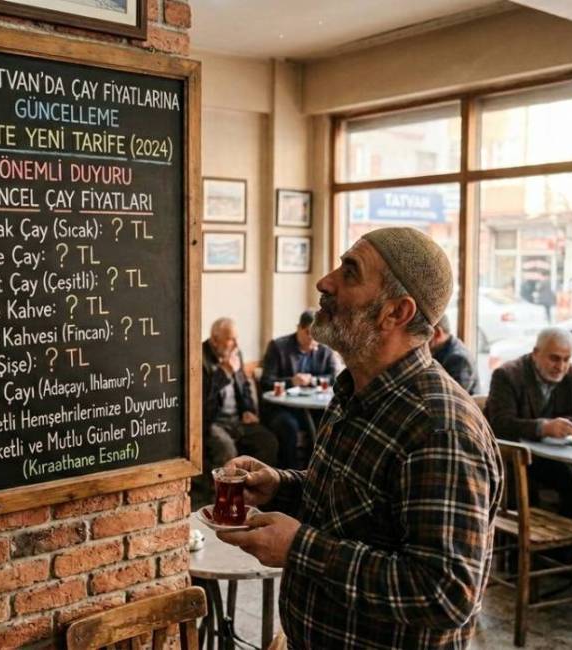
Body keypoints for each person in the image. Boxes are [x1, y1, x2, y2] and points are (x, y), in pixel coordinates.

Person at [217, 227, 502, 649]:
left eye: (350, 273)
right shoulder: (354, 391)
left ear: (396, 312)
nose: (324, 281)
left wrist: (300, 548)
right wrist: (280, 485)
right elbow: (348, 508)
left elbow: (444, 594)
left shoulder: (439, 429)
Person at [484, 327, 572, 523]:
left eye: (567, 359)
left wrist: (566, 425)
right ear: (535, 353)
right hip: (519, 457)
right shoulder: (507, 375)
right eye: (554, 358)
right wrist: (543, 427)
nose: (561, 366)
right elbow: (500, 424)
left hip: (559, 456)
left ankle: (560, 548)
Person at [196, 318, 278, 508]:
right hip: (212, 422)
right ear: (215, 340)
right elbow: (201, 403)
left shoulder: (235, 353)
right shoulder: (199, 357)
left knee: (267, 441)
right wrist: (223, 373)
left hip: (237, 420)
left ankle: (257, 498)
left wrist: (248, 409)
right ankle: (224, 504)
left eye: (236, 338)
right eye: (230, 339)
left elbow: (244, 387)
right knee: (227, 450)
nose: (236, 344)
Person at [259, 309, 341, 468]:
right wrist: (292, 382)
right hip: (282, 408)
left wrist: (314, 380)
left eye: (318, 335)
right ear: (299, 328)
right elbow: (266, 382)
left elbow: (335, 378)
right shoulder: (278, 347)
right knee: (288, 426)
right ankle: (289, 477)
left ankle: (315, 473)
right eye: (309, 333)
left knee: (328, 424)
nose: (314, 340)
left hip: (315, 408)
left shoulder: (325, 349)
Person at [429, 314, 479, 395]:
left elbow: (453, 398)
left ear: (437, 333)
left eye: (424, 334)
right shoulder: (443, 349)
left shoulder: (459, 359)